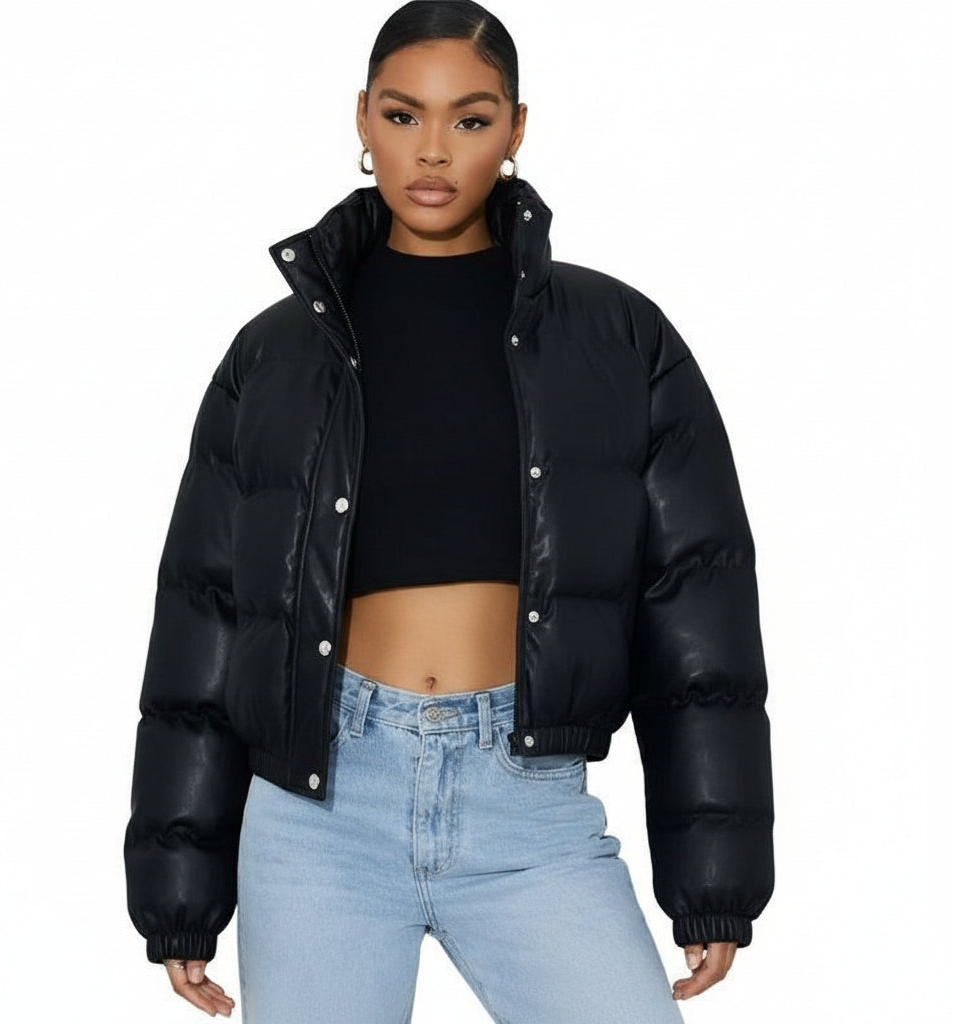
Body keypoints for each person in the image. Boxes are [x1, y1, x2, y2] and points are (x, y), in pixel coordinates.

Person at [123, 2, 775, 1020]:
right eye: (402, 115)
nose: (432, 150)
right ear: (362, 119)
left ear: (516, 129)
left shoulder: (619, 338)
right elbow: (202, 620)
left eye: (470, 119)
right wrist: (179, 893)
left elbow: (698, 613)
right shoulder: (274, 356)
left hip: (529, 809)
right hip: (317, 817)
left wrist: (713, 878)